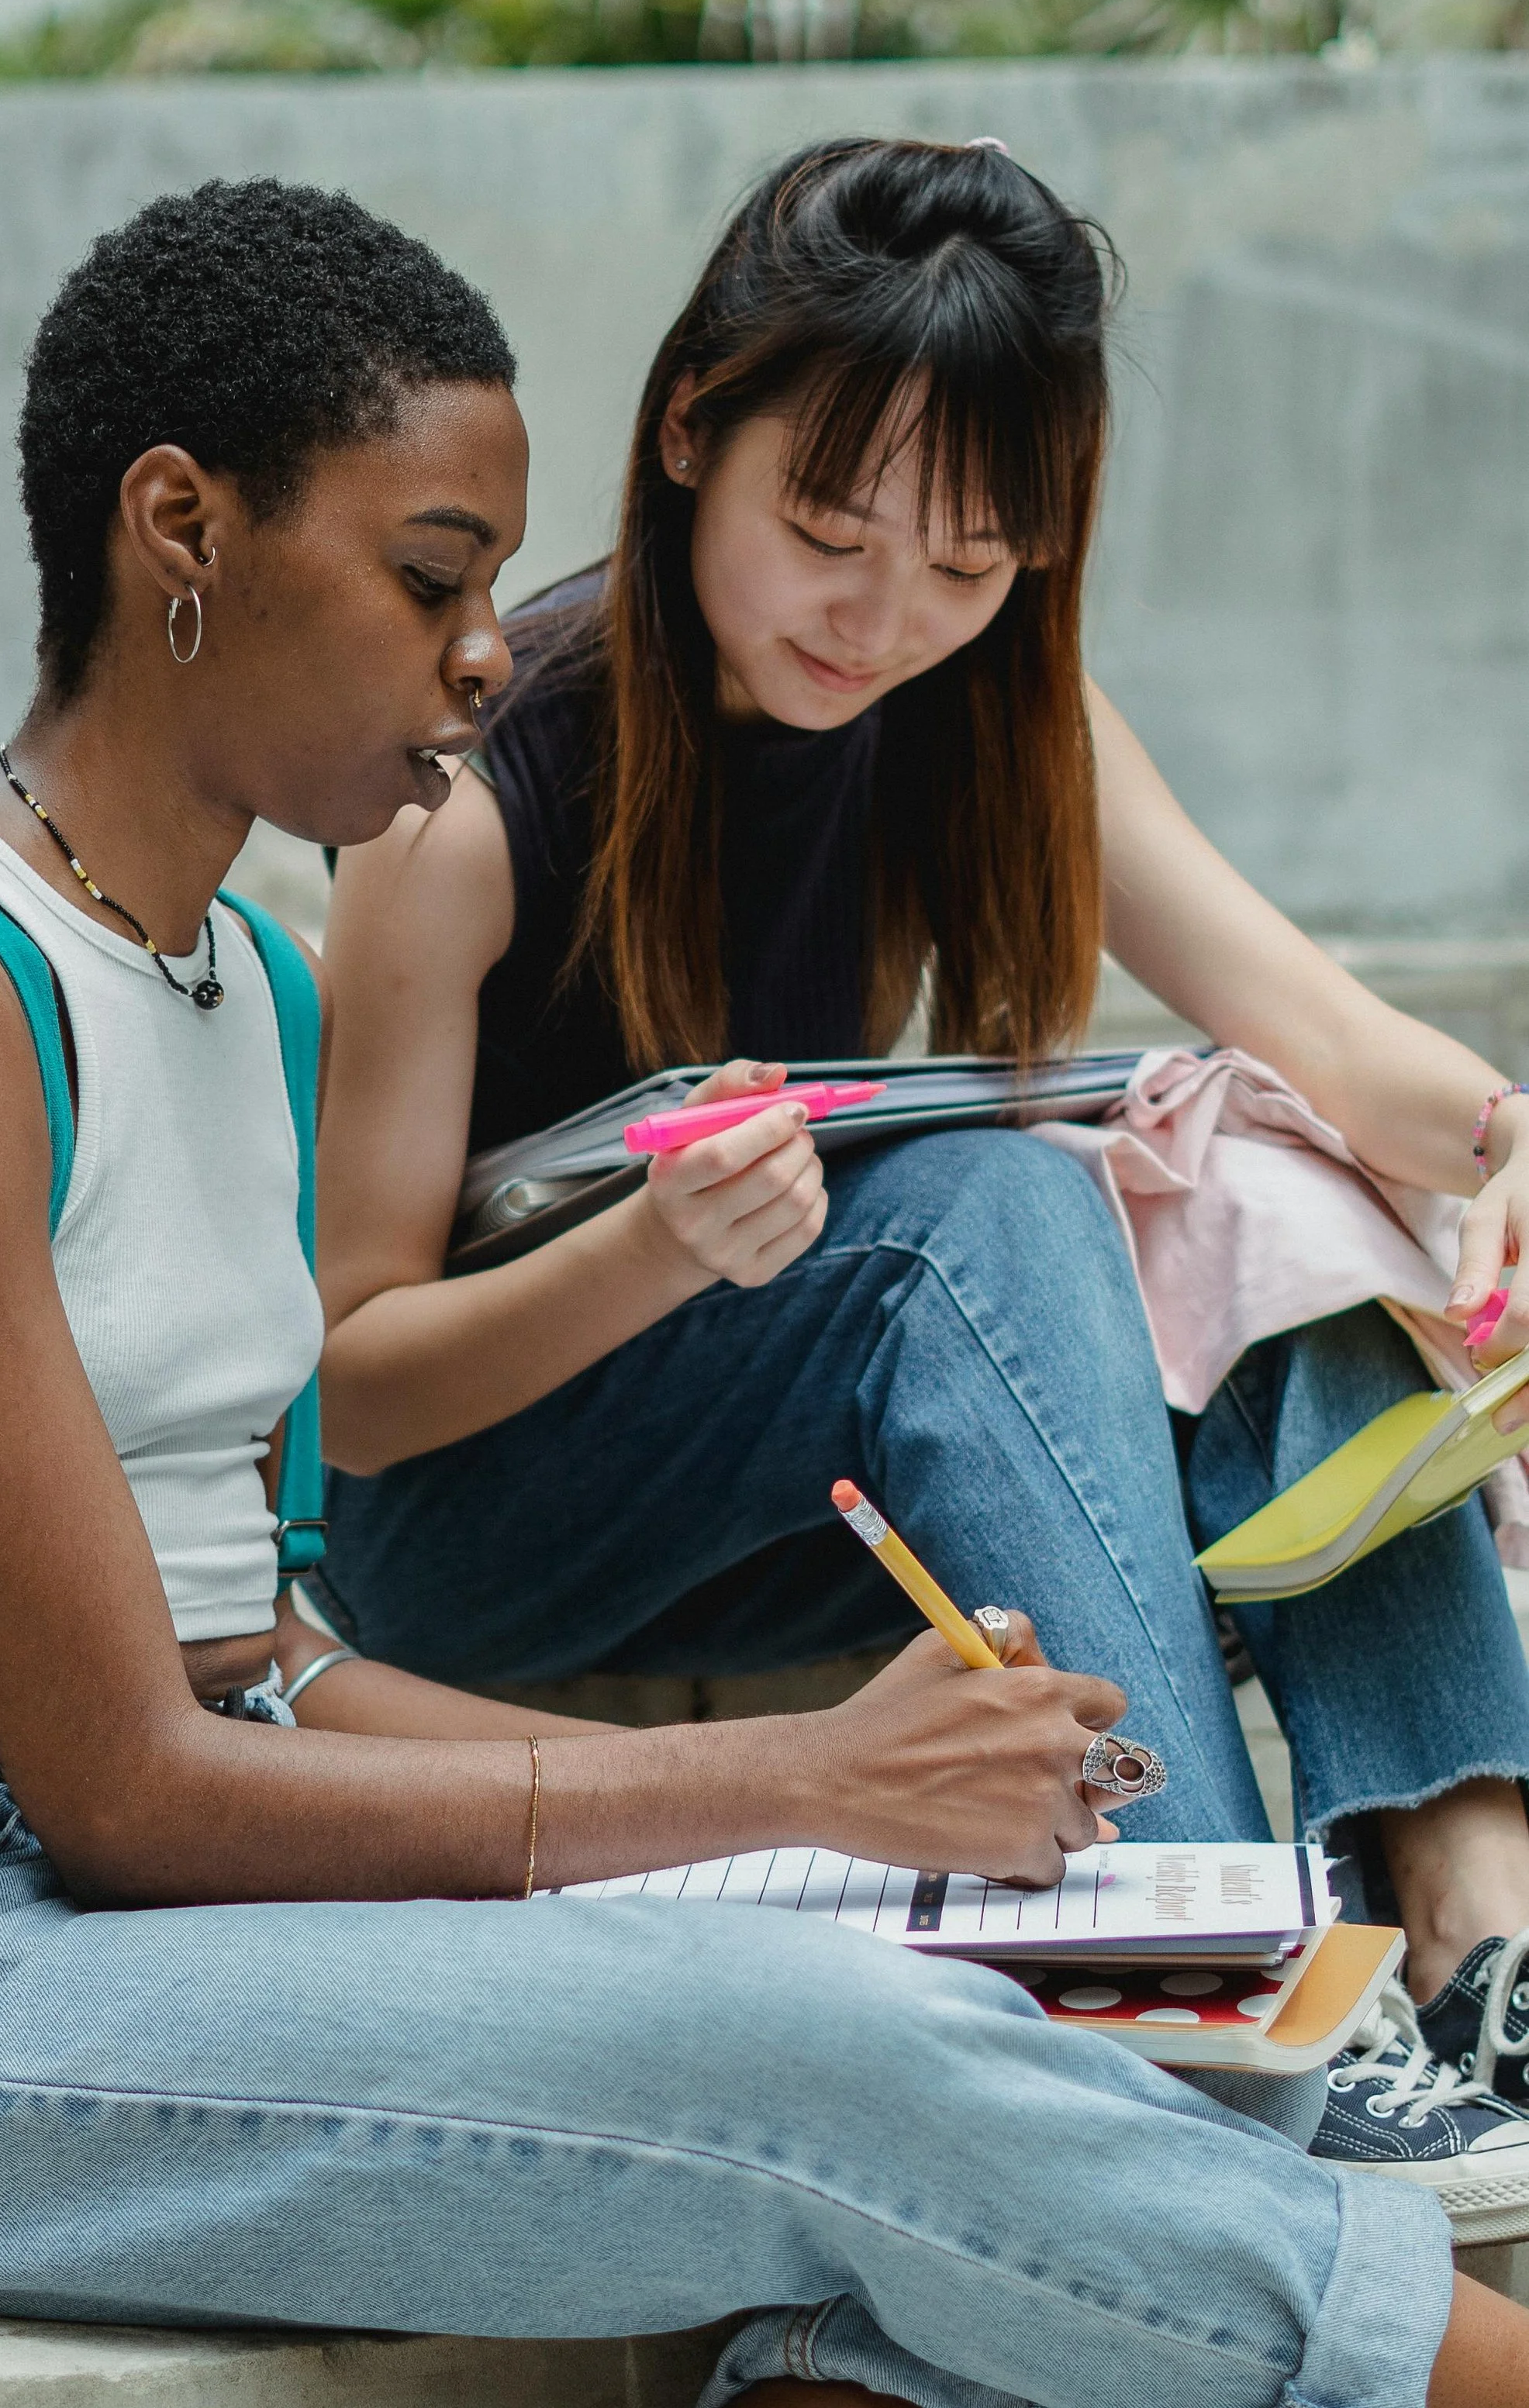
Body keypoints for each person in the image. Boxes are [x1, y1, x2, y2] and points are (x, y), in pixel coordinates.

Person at [0, 173, 1529, 2408]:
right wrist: (792, 1781)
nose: (476, 655)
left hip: (178, 1852)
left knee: (1035, 2033)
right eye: (432, 574)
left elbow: (269, 1656)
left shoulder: (235, 993)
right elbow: (119, 1781)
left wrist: (823, 1846)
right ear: (176, 529)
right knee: (857, 2067)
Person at [312, 134, 1529, 2220]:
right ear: (692, 427)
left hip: (812, 1480)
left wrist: (1482, 1170)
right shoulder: (468, 799)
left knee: (1261, 1184)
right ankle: (1217, 1970)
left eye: (970, 565)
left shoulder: (990, 705)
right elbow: (351, 1387)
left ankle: (1474, 1933)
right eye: (827, 531)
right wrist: (657, 1256)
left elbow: (1332, 1035)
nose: (881, 621)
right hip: (485, 1521)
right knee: (994, 1207)